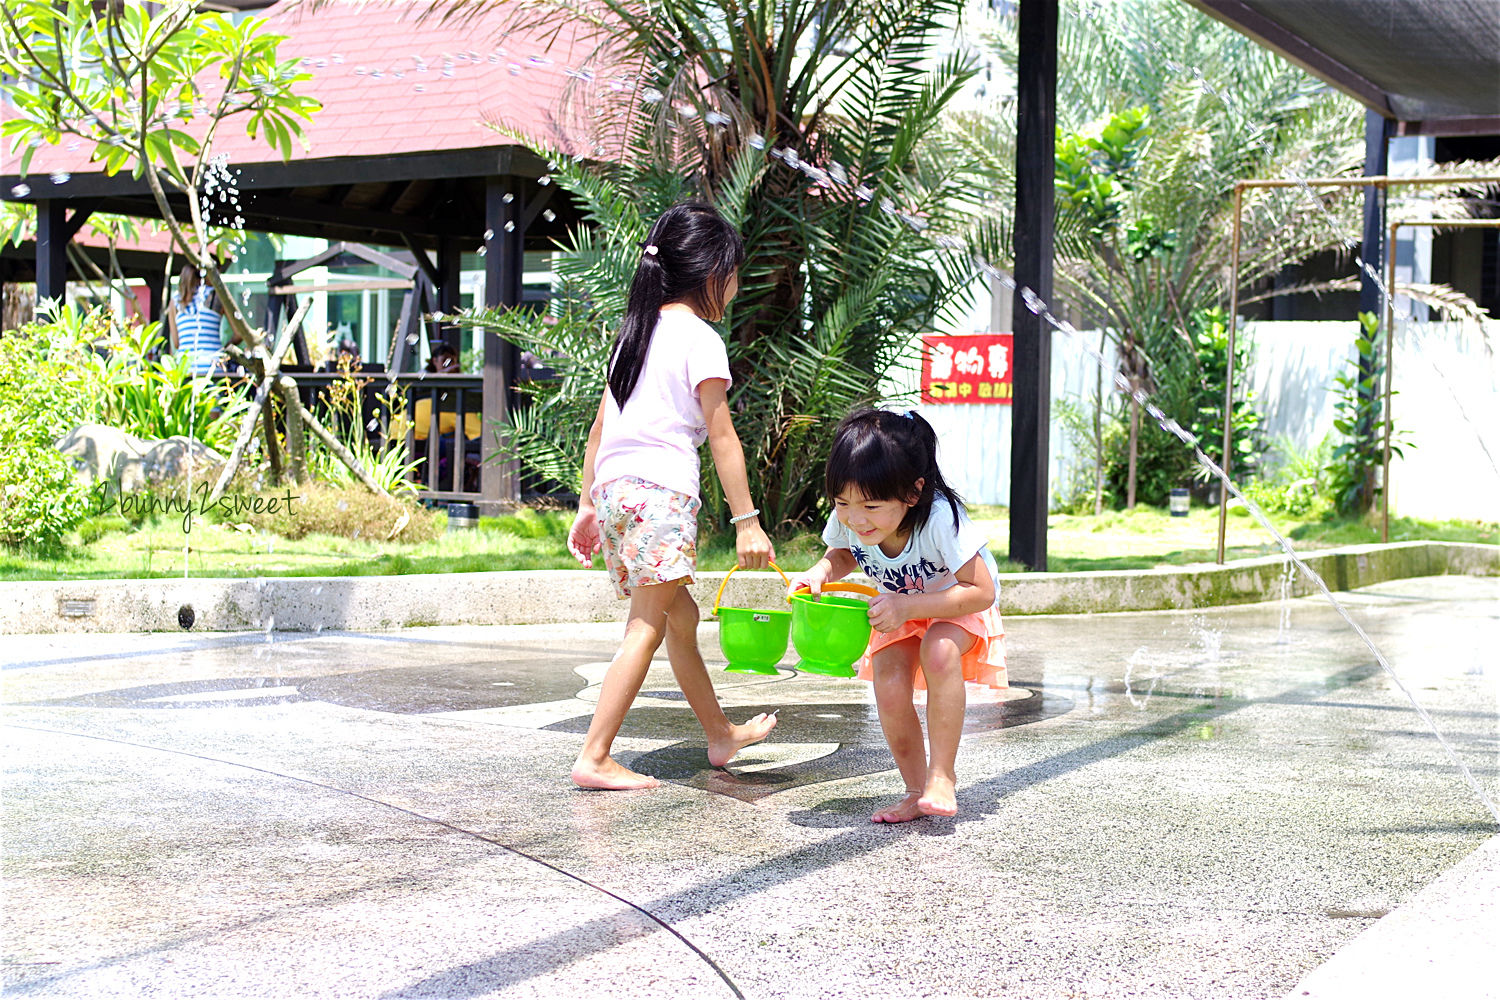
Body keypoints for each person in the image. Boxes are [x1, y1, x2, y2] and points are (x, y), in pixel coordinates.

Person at [566, 201, 778, 791]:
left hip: (616, 494)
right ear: (711, 273)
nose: (735, 286)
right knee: (646, 627)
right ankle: (595, 754)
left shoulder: (634, 334)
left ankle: (719, 734)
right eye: (733, 272)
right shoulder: (699, 338)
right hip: (659, 496)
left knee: (678, 617)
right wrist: (747, 521)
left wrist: (587, 505)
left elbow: (601, 427)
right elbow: (722, 434)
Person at [790, 409, 1006, 823]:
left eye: (871, 504)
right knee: (888, 683)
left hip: (953, 600)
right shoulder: (852, 520)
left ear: (912, 492)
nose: (855, 518)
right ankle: (914, 790)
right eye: (842, 503)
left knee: (939, 649)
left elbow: (981, 591)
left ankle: (942, 775)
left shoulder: (941, 518)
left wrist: (908, 606)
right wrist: (820, 572)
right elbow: (841, 554)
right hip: (901, 605)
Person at [166, 262, 225, 375]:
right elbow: (238, 334)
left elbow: (177, 343)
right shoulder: (216, 296)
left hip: (186, 370)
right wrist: (225, 350)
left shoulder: (175, 302)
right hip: (213, 367)